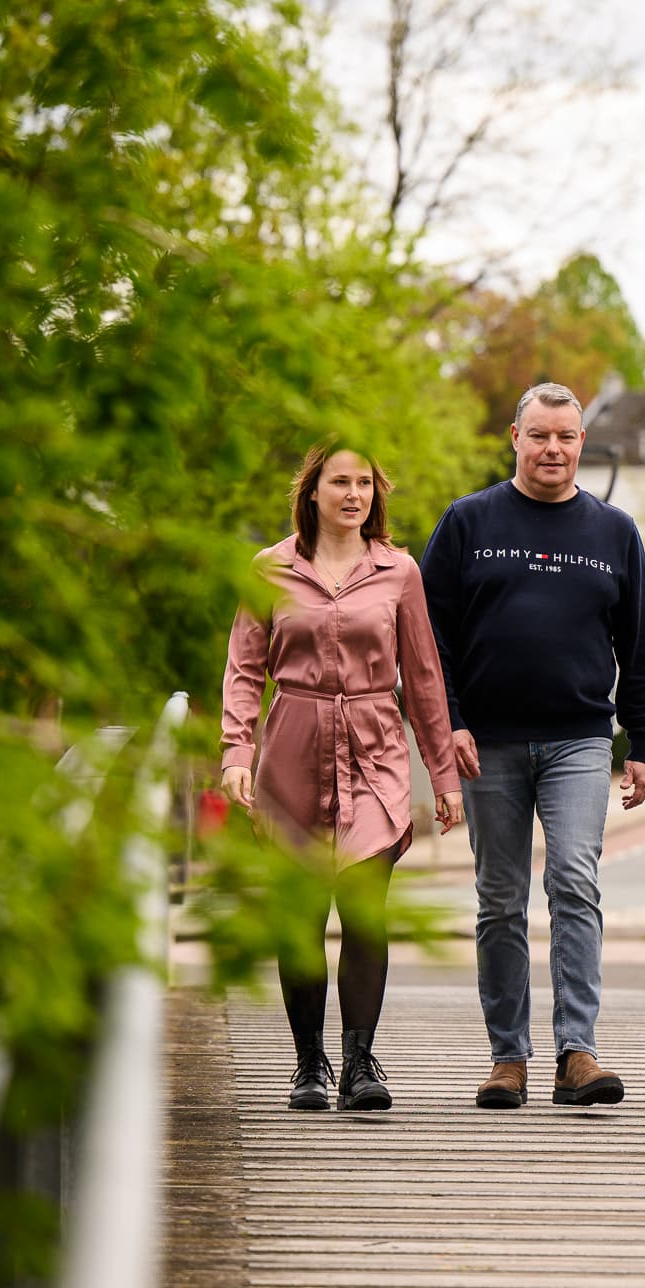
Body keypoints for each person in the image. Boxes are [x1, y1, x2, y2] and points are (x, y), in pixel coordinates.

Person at [420, 382, 645, 1109]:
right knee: (499, 900)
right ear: (515, 438)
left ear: (581, 442)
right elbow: (429, 639)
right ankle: (508, 1058)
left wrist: (642, 740)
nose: (552, 448)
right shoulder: (468, 522)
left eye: (566, 436)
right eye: (539, 435)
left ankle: (576, 1052)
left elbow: (641, 645)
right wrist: (450, 722)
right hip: (486, 743)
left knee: (575, 883)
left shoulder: (614, 531)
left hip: (579, 740)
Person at [221, 443, 463, 1113]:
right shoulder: (269, 569)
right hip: (292, 748)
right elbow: (244, 669)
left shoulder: (399, 572)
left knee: (362, 905)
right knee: (299, 914)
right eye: (339, 481)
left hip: (375, 750)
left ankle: (359, 1061)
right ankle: (307, 1062)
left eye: (364, 482)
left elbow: (421, 678)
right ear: (313, 491)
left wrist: (441, 772)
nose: (352, 493)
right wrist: (236, 753)